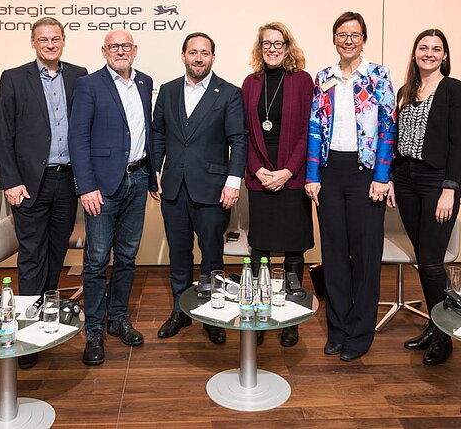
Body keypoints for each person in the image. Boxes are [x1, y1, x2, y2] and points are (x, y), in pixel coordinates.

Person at [0, 17, 88, 369]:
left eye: (56, 38)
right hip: (30, 182)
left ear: (63, 41)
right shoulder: (14, 78)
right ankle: (29, 332)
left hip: (68, 180)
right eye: (43, 39)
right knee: (32, 253)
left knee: (56, 249)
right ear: (32, 42)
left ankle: (48, 312)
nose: (50, 44)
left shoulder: (80, 75)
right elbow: (2, 133)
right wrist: (10, 181)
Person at [305, 11, 396, 362]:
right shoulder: (324, 77)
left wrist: (382, 176)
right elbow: (315, 126)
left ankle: (359, 333)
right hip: (330, 172)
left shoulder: (378, 75)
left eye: (354, 34)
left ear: (363, 39)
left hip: (365, 173)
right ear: (334, 38)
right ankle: (338, 329)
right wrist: (312, 175)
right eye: (342, 34)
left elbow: (388, 128)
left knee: (365, 255)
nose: (348, 40)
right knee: (334, 254)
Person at [151, 32, 247, 345]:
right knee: (179, 255)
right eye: (193, 52)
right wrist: (156, 171)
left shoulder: (229, 93)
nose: (199, 58)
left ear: (213, 58)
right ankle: (181, 311)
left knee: (212, 257)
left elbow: (238, 140)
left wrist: (233, 181)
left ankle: (212, 312)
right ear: (183, 56)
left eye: (205, 53)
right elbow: (157, 134)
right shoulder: (167, 91)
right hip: (174, 189)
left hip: (213, 189)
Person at [68, 30, 157, 366]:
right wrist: (86, 187)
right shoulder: (89, 85)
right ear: (104, 51)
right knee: (95, 260)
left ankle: (117, 318)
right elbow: (78, 138)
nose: (120, 51)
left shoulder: (145, 82)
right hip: (102, 187)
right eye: (113, 47)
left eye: (125, 46)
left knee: (128, 256)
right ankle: (93, 330)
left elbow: (147, 131)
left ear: (135, 50)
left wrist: (153, 175)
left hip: (139, 178)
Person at [390, 29, 461, 366]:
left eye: (436, 49)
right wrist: (392, 178)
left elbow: (459, 143)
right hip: (405, 179)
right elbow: (394, 137)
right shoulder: (405, 91)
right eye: (423, 47)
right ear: (415, 53)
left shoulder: (455, 90)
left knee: (433, 261)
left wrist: (450, 188)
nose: (429, 53)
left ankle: (444, 336)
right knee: (423, 258)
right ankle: (432, 324)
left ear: (445, 56)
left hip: (437, 181)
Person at [240, 22, 314, 348]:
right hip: (260, 180)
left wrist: (287, 171)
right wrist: (257, 170)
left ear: (287, 46)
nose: (272, 48)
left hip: (292, 180)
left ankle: (291, 318)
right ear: (260, 47)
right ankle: (259, 311)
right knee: (261, 248)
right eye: (266, 43)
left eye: (278, 42)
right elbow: (243, 134)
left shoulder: (302, 81)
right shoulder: (250, 83)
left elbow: (307, 132)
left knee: (294, 248)